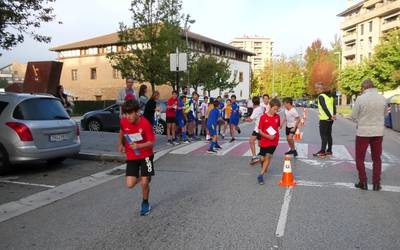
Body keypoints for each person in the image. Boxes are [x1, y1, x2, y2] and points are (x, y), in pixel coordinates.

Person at [118, 100, 155, 216]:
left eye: (130, 113)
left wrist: (139, 145)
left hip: (147, 156)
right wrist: (121, 144)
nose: (127, 117)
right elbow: (122, 132)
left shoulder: (145, 124)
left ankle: (145, 202)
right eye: (126, 114)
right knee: (130, 184)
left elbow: (151, 142)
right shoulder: (124, 121)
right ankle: (146, 176)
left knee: (144, 183)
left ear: (137, 112)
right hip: (132, 156)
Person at [351, 80, 386, 191]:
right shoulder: (382, 98)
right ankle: (376, 184)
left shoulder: (361, 99)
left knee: (360, 158)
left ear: (363, 88)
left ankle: (363, 182)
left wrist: (361, 119)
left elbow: (353, 115)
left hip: (363, 132)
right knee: (377, 158)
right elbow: (385, 114)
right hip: (378, 132)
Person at [257, 98, 281, 185]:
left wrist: (274, 135)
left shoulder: (277, 117)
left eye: (277, 109)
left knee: (268, 156)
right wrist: (268, 136)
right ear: (270, 107)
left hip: (274, 141)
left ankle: (260, 175)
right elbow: (260, 131)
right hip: (265, 140)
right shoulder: (263, 117)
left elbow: (277, 127)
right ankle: (263, 163)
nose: (276, 111)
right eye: (274, 109)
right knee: (262, 158)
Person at [313, 83, 336, 157]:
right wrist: (333, 115)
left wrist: (329, 116)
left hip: (324, 118)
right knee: (329, 135)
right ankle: (329, 150)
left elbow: (324, 107)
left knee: (323, 135)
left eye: (316, 88)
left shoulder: (321, 96)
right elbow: (334, 106)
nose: (315, 90)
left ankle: (322, 151)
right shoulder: (331, 96)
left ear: (320, 89)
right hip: (330, 119)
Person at [242, 96, 263, 165]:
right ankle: (263, 155)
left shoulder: (256, 109)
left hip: (258, 129)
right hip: (261, 128)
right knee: (260, 144)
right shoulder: (261, 108)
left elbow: (250, 120)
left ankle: (255, 157)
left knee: (251, 141)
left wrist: (244, 119)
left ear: (253, 102)